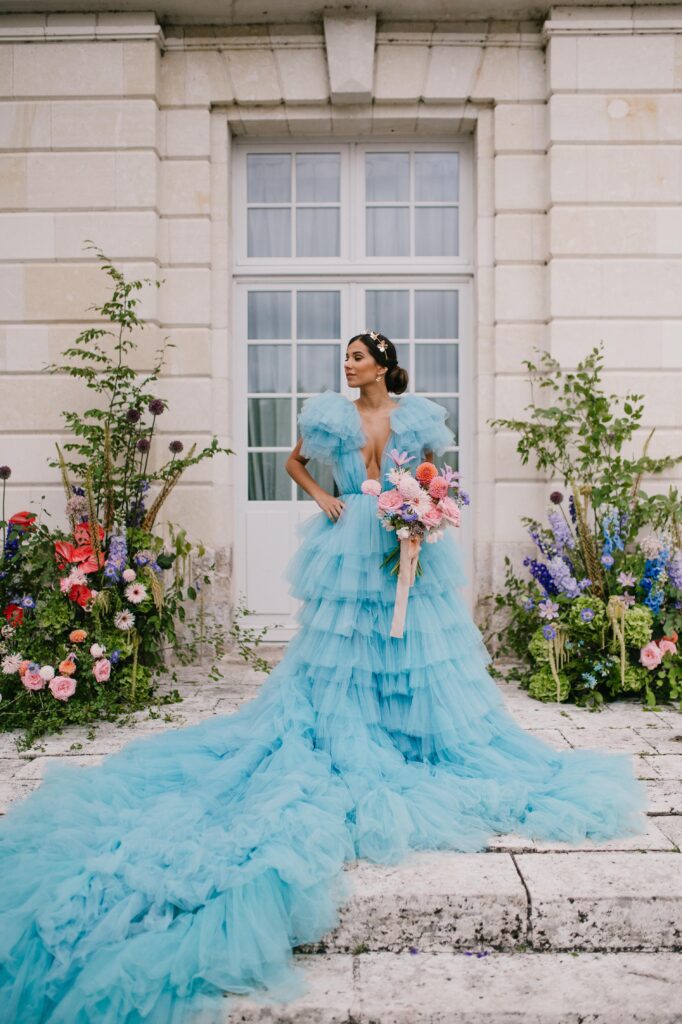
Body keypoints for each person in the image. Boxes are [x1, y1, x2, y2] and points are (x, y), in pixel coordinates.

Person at [0, 331, 649, 1024]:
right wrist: (326, 500)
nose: (347, 365)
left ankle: (404, 728)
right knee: (342, 647)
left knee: (417, 644)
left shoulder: (419, 415)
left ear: (383, 366)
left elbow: (434, 477)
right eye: (343, 356)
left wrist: (425, 515)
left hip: (406, 538)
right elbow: (292, 464)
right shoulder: (329, 416)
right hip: (349, 540)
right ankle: (356, 727)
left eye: (357, 357)